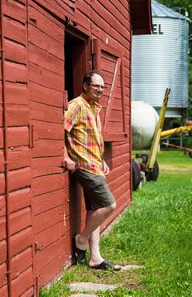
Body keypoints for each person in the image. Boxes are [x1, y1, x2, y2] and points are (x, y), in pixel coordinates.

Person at [63, 70, 121, 271]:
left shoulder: (94, 108)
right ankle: (81, 239)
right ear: (86, 86)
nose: (100, 90)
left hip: (95, 164)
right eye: (96, 86)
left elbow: (92, 139)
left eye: (103, 87)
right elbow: (61, 129)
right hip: (84, 165)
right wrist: (65, 156)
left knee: (94, 209)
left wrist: (102, 159)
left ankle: (95, 257)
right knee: (109, 205)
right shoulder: (76, 105)